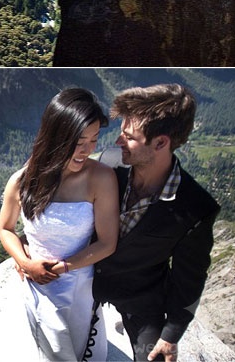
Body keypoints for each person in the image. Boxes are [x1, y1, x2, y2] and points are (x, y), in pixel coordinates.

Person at [94, 84, 220, 362]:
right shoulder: (108, 165)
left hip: (139, 295)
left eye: (128, 137)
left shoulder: (197, 208)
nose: (117, 142)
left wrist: (170, 336)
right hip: (84, 279)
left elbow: (189, 278)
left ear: (161, 142)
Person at [0, 87, 119, 361]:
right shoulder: (22, 180)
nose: (87, 150)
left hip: (79, 282)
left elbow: (107, 242)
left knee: (79, 348)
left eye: (94, 140)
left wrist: (66, 267)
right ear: (56, 136)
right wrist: (26, 263)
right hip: (35, 283)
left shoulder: (100, 178)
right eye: (79, 141)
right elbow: (5, 228)